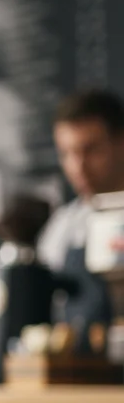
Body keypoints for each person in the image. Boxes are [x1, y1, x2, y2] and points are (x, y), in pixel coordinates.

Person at [36, 89, 124, 329]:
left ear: (120, 143)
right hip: (78, 364)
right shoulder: (63, 225)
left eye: (91, 150)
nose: (78, 166)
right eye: (68, 153)